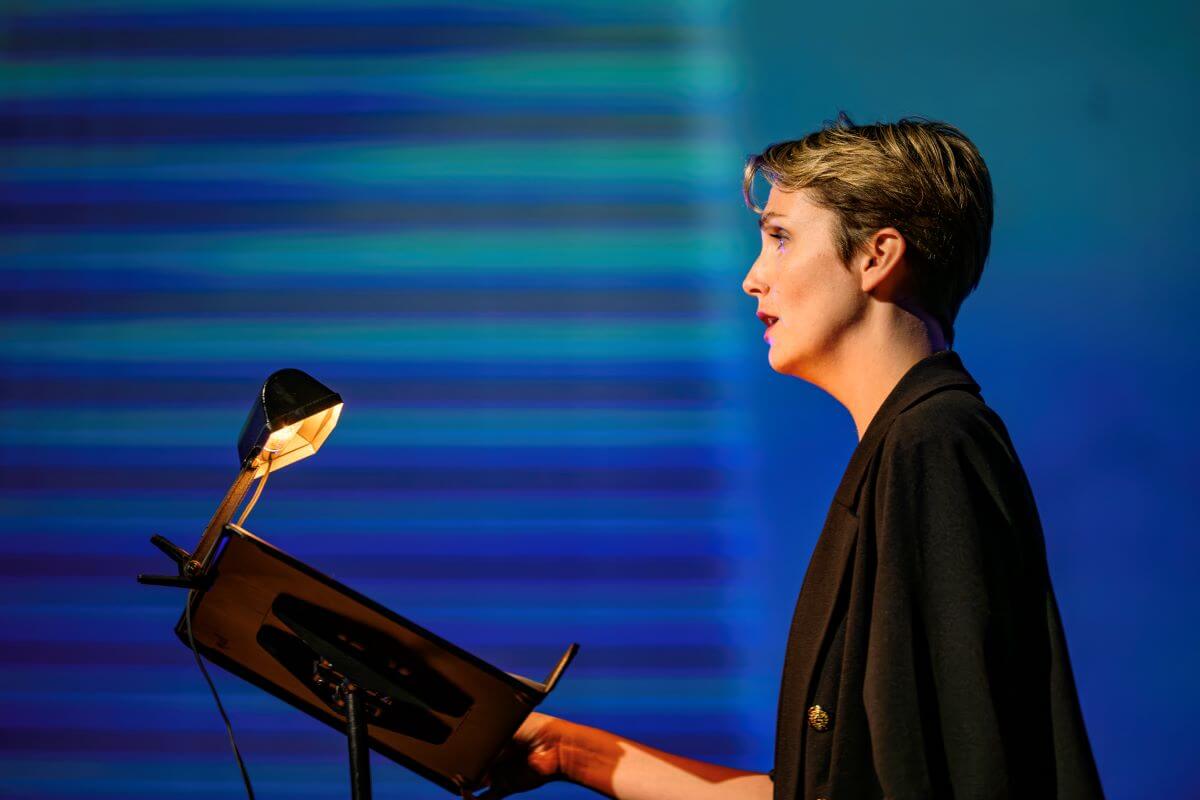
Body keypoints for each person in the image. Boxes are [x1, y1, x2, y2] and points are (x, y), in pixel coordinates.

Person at [467, 114, 1104, 799]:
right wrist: (569, 751)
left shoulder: (932, 441)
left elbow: (965, 769)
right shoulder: (906, 446)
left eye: (780, 238)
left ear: (877, 257)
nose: (753, 278)